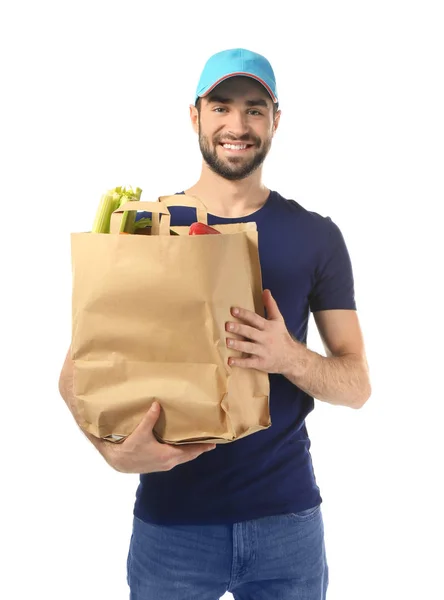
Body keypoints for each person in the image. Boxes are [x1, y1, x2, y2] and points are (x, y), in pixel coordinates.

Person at [59, 48, 371, 600]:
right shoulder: (142, 229)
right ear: (195, 115)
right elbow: (77, 373)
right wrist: (110, 451)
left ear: (276, 120)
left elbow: (356, 385)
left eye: (255, 109)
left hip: (288, 524)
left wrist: (288, 357)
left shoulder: (315, 235)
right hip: (172, 525)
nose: (237, 125)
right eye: (221, 107)